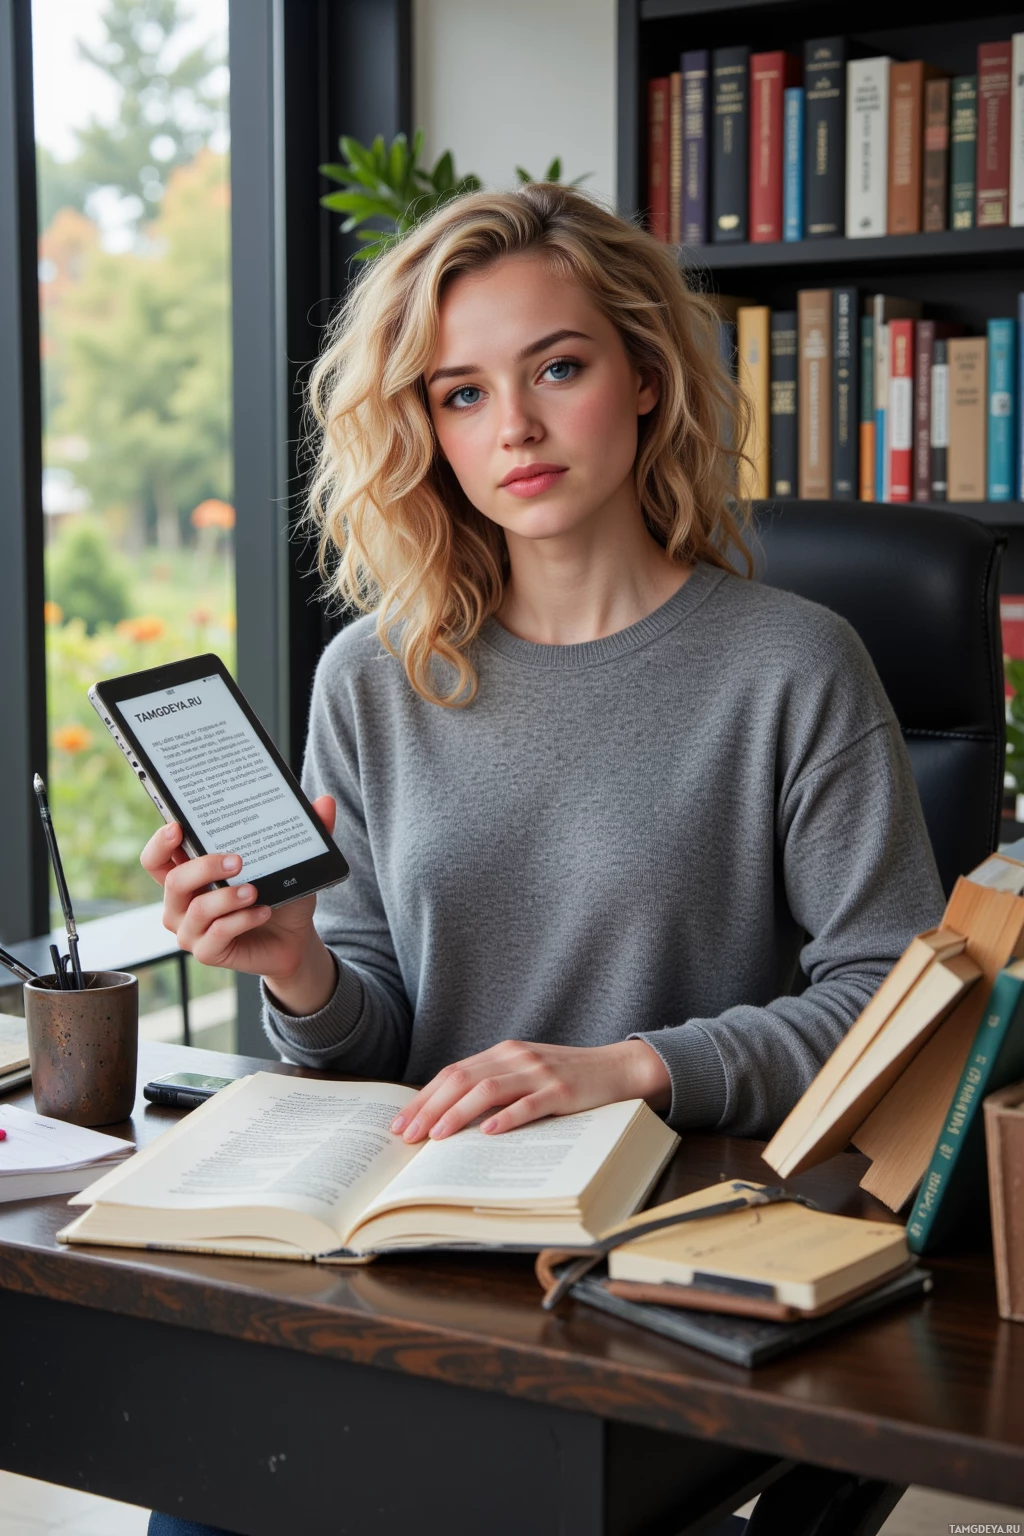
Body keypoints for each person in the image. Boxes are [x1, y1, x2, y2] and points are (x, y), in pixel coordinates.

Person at [143, 181, 943, 1536]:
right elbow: (378, 1035)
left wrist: (628, 1066)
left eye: (555, 369)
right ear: (422, 428)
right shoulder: (376, 678)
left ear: (640, 378)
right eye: (459, 394)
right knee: (208, 1492)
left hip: (663, 1267)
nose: (510, 428)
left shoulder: (791, 665)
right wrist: (296, 973)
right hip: (425, 1252)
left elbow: (894, 1007)